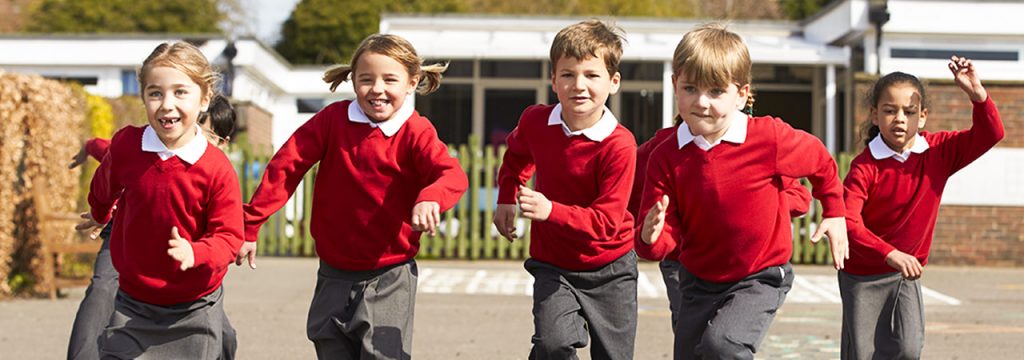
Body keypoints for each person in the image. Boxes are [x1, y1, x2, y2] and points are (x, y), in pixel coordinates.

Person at [239, 34, 468, 359]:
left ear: (411, 82)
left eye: (390, 79)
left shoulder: (415, 131)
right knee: (330, 346)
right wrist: (252, 223)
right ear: (353, 80)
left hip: (389, 274)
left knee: (382, 354)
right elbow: (286, 166)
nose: (377, 88)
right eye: (366, 79)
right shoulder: (333, 120)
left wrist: (431, 197)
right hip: (333, 271)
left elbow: (451, 174)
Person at [635, 23, 848, 359]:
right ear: (675, 85)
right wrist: (649, 236)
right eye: (690, 88)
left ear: (742, 93)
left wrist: (835, 212)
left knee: (723, 346)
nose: (701, 102)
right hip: (697, 280)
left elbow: (820, 161)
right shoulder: (666, 154)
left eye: (716, 91)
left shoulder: (768, 138)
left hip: (759, 275)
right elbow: (664, 242)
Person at [78, 42, 244, 359]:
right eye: (155, 93)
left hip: (195, 306)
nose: (166, 104)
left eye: (180, 92)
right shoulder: (127, 144)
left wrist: (195, 251)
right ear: (143, 97)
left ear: (205, 98)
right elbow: (106, 181)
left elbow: (229, 236)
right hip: (132, 301)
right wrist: (100, 212)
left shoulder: (216, 169)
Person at [840, 57, 1004, 360]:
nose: (899, 119)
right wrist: (890, 253)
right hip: (863, 274)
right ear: (875, 115)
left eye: (909, 111)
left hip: (906, 274)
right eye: (889, 111)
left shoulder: (940, 152)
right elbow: (848, 221)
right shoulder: (864, 166)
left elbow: (990, 134)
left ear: (923, 116)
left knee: (908, 348)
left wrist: (977, 94)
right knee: (863, 354)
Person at [492, 19, 638, 359]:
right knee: (552, 345)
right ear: (553, 80)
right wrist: (506, 198)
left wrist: (550, 210)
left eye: (591, 75)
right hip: (553, 264)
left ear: (613, 82)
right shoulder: (535, 121)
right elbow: (516, 157)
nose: (579, 85)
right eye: (568, 74)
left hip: (611, 267)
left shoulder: (620, 145)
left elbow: (606, 222)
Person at [627, 116, 813, 334]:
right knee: (692, 339)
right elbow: (625, 189)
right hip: (681, 262)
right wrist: (648, 222)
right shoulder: (663, 147)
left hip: (740, 264)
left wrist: (754, 201)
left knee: (724, 340)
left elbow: (800, 197)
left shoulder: (753, 144)